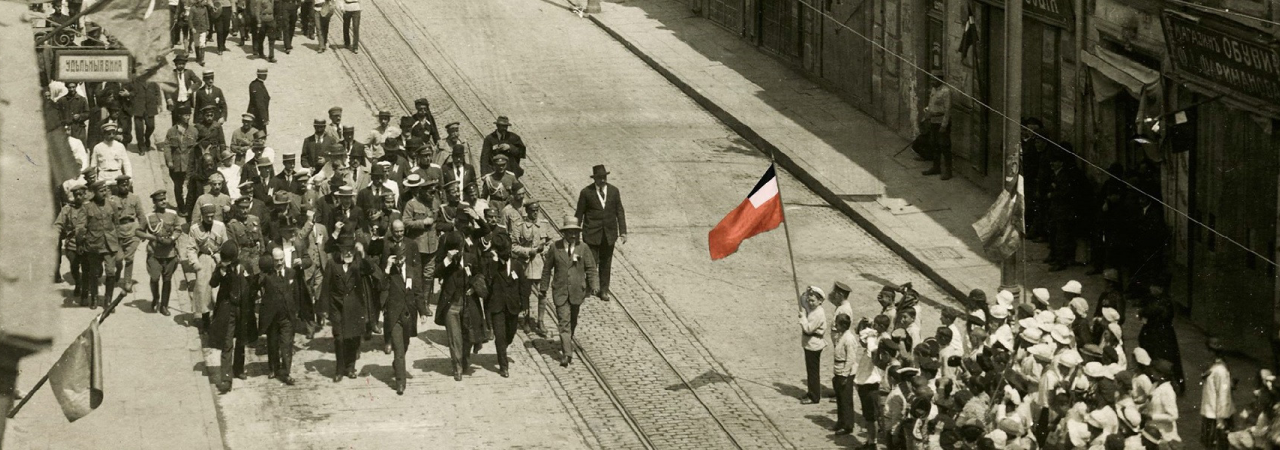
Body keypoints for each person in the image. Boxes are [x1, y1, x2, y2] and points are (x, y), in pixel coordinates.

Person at [538, 216, 599, 368]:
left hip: (578, 291)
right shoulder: (555, 247)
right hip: (560, 291)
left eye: (575, 232)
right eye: (570, 232)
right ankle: (567, 353)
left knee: (573, 321)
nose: (573, 235)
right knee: (564, 322)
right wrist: (543, 288)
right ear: (564, 233)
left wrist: (594, 284)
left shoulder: (583, 248)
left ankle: (566, 341)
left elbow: (591, 268)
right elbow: (547, 269)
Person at [436, 205, 489, 380]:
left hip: (469, 296)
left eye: (467, 222)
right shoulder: (446, 240)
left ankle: (465, 360)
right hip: (452, 297)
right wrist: (447, 260)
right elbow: (436, 270)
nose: (464, 226)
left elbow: (486, 229)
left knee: (468, 334)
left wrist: (477, 217)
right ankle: (456, 366)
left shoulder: (472, 236)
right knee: (454, 337)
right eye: (461, 222)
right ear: (455, 222)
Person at [320, 229, 374, 382]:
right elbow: (326, 286)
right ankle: (339, 369)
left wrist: (363, 254)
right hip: (337, 306)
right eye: (345, 250)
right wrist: (324, 309)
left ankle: (350, 367)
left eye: (351, 250)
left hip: (355, 307)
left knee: (353, 339)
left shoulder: (358, 262)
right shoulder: (332, 263)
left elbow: (370, 269)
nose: (348, 253)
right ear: (340, 250)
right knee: (339, 338)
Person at [209, 240, 256, 393]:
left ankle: (238, 368)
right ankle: (226, 378)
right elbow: (213, 283)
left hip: (242, 309)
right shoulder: (222, 267)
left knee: (242, 339)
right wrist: (221, 272)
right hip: (228, 309)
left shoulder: (245, 266)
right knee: (227, 343)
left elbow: (253, 285)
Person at [574, 164, 626, 301]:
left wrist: (623, 232)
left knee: (606, 263)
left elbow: (620, 211)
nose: (602, 180)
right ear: (594, 179)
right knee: (591, 262)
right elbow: (579, 213)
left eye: (604, 177)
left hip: (609, 234)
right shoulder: (586, 192)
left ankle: (603, 290)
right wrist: (575, 232)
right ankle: (589, 287)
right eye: (599, 178)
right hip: (591, 233)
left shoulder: (614, 191)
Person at [379, 235, 418, 394]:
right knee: (399, 350)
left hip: (408, 315)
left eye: (402, 258)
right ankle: (400, 383)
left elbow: (418, 292)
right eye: (397, 258)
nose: (400, 261)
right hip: (394, 316)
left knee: (405, 344)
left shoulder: (411, 270)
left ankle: (397, 365)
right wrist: (387, 268)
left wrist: (422, 312)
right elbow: (381, 287)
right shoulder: (390, 273)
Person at [257, 249, 300, 385]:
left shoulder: (291, 273)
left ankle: (286, 373)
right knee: (272, 344)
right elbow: (256, 284)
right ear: (272, 261)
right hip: (272, 317)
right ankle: (273, 368)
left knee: (287, 345)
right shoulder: (267, 276)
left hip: (287, 316)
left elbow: (297, 293)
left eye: (281, 259)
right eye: (276, 260)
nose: (280, 262)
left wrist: (296, 311)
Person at [138, 190, 184, 315]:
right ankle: (155, 298)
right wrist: (153, 238)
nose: (163, 202)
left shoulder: (173, 214)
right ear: (154, 202)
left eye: (164, 199)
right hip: (154, 253)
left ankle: (164, 305)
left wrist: (172, 238)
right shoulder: (148, 217)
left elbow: (178, 229)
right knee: (154, 278)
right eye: (160, 200)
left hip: (169, 253)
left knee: (167, 279)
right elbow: (138, 231)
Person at [512, 200, 553, 336]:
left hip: (540, 264)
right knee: (525, 293)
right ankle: (526, 319)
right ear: (527, 211)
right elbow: (513, 246)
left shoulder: (544, 225)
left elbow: (550, 242)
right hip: (526, 263)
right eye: (532, 210)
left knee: (543, 292)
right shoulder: (520, 226)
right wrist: (529, 251)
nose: (535, 213)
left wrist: (545, 250)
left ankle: (540, 320)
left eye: (537, 210)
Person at [184, 203, 228, 331]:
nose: (209, 219)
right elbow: (191, 248)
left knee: (218, 291)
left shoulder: (220, 227)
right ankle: (205, 321)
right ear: (202, 216)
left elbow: (225, 244)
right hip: (203, 260)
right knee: (203, 291)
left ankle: (218, 320)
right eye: (207, 216)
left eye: (212, 216)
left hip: (218, 260)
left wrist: (224, 261)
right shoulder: (195, 229)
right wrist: (195, 263)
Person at [483, 232, 521, 378]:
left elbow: (523, 287)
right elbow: (488, 280)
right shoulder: (492, 264)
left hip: (512, 307)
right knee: (500, 336)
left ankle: (502, 348)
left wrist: (523, 306)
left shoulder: (517, 265)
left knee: (510, 334)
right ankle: (503, 366)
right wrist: (493, 262)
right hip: (497, 306)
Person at [80, 181, 120, 309]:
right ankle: (94, 298)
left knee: (110, 272)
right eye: (101, 191)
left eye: (105, 190)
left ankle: (108, 300)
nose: (104, 193)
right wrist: (81, 242)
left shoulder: (112, 205)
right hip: (94, 245)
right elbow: (82, 227)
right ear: (94, 192)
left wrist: (117, 241)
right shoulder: (87, 207)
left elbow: (116, 224)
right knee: (94, 272)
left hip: (110, 244)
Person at [54, 182, 90, 304]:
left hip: (87, 244)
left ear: (85, 195)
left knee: (86, 269)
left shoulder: (90, 208)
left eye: (81, 194)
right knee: (74, 267)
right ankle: (78, 283)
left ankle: (85, 293)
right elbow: (59, 224)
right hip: (72, 244)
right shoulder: (67, 209)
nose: (79, 197)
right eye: (76, 195)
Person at [112, 176, 147, 295]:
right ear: (117, 186)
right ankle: (118, 269)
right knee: (118, 258)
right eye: (122, 185)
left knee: (129, 257)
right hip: (117, 231)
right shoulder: (112, 199)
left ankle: (127, 281)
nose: (125, 187)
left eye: (127, 184)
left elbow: (141, 215)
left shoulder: (135, 198)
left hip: (132, 229)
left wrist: (142, 230)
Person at [1200, 337, 1234, 448]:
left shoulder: (1220, 371)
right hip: (1210, 413)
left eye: (1206, 350)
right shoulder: (1213, 367)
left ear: (1212, 352)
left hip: (1216, 417)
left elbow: (1223, 396)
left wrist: (1221, 420)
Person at [921, 71, 952, 180]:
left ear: (940, 80)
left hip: (941, 122)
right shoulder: (934, 89)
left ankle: (948, 171)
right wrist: (927, 112)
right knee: (934, 145)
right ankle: (936, 167)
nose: (931, 82)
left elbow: (947, 110)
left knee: (944, 146)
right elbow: (931, 105)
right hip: (933, 122)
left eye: (933, 79)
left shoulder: (946, 91)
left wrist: (944, 125)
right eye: (931, 79)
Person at [798, 286, 827, 404]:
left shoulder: (818, 313)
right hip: (809, 343)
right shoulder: (813, 308)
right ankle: (811, 392)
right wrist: (808, 291)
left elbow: (808, 329)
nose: (809, 303)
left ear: (820, 301)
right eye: (809, 300)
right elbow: (802, 300)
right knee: (810, 370)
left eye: (813, 300)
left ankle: (814, 396)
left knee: (813, 372)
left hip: (814, 344)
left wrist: (803, 318)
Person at [830, 313, 856, 434]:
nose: (835, 326)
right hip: (838, 370)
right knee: (840, 399)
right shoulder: (841, 336)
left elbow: (850, 358)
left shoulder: (849, 339)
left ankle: (848, 425)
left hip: (845, 372)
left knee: (846, 400)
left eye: (838, 324)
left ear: (844, 325)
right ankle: (841, 421)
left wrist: (845, 374)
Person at [123, 73, 162, 152]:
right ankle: (141, 146)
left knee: (151, 126)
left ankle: (147, 137)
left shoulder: (153, 77)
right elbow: (127, 89)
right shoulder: (133, 78)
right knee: (139, 128)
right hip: (138, 107)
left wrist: (159, 104)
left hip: (150, 107)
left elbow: (157, 91)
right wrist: (128, 94)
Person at [167, 53, 202, 125]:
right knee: (175, 121)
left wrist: (191, 89)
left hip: (186, 101)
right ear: (176, 64)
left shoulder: (189, 72)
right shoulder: (171, 74)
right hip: (175, 101)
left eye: (183, 64)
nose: (181, 66)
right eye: (179, 64)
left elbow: (199, 82)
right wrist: (169, 98)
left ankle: (185, 135)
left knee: (186, 120)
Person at [247, 68, 270, 133]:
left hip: (257, 116)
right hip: (257, 117)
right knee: (259, 136)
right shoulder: (257, 86)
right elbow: (260, 103)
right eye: (265, 75)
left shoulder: (257, 84)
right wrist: (264, 118)